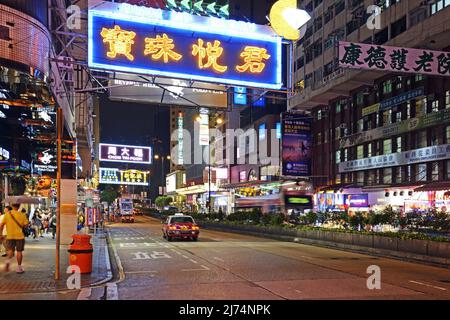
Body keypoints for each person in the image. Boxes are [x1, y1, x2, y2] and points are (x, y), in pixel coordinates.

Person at [0, 203, 29, 273]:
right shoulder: (22, 215)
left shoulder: (7, 215)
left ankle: (7, 261)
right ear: (19, 206)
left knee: (10, 250)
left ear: (12, 206)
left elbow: (1, 225)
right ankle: (19, 268)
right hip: (19, 236)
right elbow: (26, 226)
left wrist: (0, 234)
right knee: (19, 251)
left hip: (10, 236)